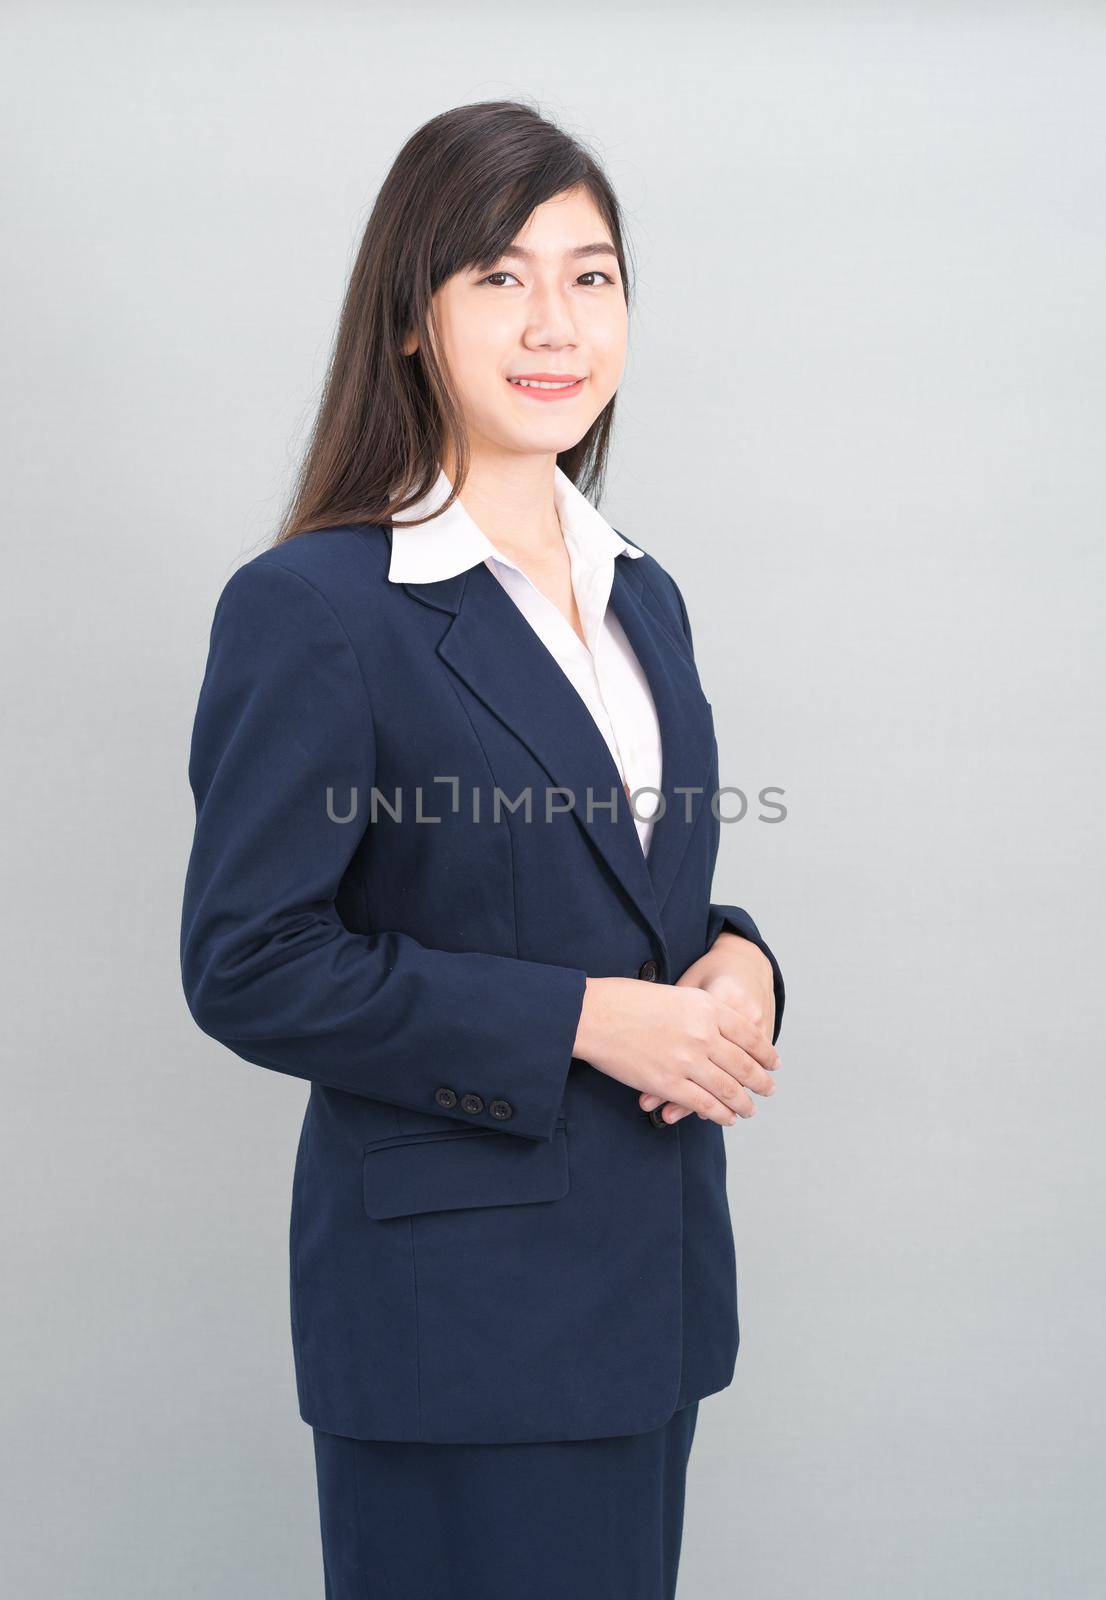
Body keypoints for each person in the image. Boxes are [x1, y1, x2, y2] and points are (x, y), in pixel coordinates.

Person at [180, 97, 785, 1600]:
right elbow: (253, 962)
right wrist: (587, 1021)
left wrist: (740, 960)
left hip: (649, 1298)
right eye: (497, 277)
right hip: (459, 1333)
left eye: (590, 276)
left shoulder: (642, 596)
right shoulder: (317, 605)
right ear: (411, 315)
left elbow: (620, 893)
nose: (553, 322)